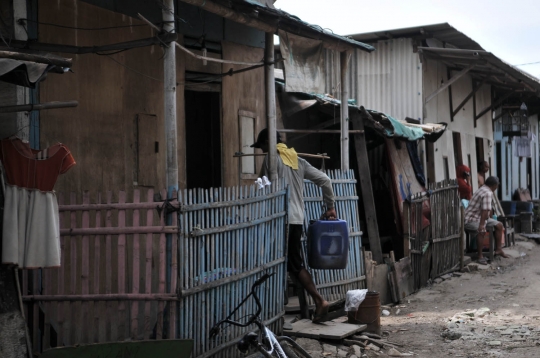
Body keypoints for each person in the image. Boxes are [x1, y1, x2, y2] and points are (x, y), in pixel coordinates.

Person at [251, 128, 336, 323]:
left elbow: (262, 188)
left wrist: (258, 183)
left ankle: (319, 300)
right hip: (297, 218)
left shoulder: (271, 160)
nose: (263, 150)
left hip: (282, 219)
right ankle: (304, 306)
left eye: (263, 146)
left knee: (293, 264)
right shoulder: (297, 159)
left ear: (266, 143)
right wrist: (330, 207)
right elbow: (325, 180)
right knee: (292, 262)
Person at [464, 176, 509, 264]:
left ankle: (498, 249)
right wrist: (481, 226)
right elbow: (485, 210)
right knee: (481, 231)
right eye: (497, 185)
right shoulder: (488, 192)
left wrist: (488, 221)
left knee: (499, 225)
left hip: (479, 217)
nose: (497, 187)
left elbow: (487, 210)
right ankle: (480, 256)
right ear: (494, 185)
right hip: (471, 220)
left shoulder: (483, 188)